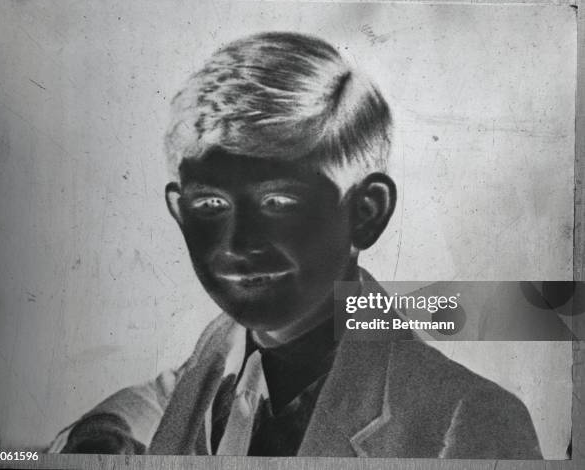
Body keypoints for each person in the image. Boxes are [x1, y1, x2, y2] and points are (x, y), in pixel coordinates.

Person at [48, 32, 541, 458]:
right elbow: (153, 402)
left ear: (365, 212)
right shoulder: (213, 367)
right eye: (211, 205)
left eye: (279, 201)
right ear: (179, 211)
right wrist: (99, 437)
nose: (238, 242)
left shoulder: (467, 423)